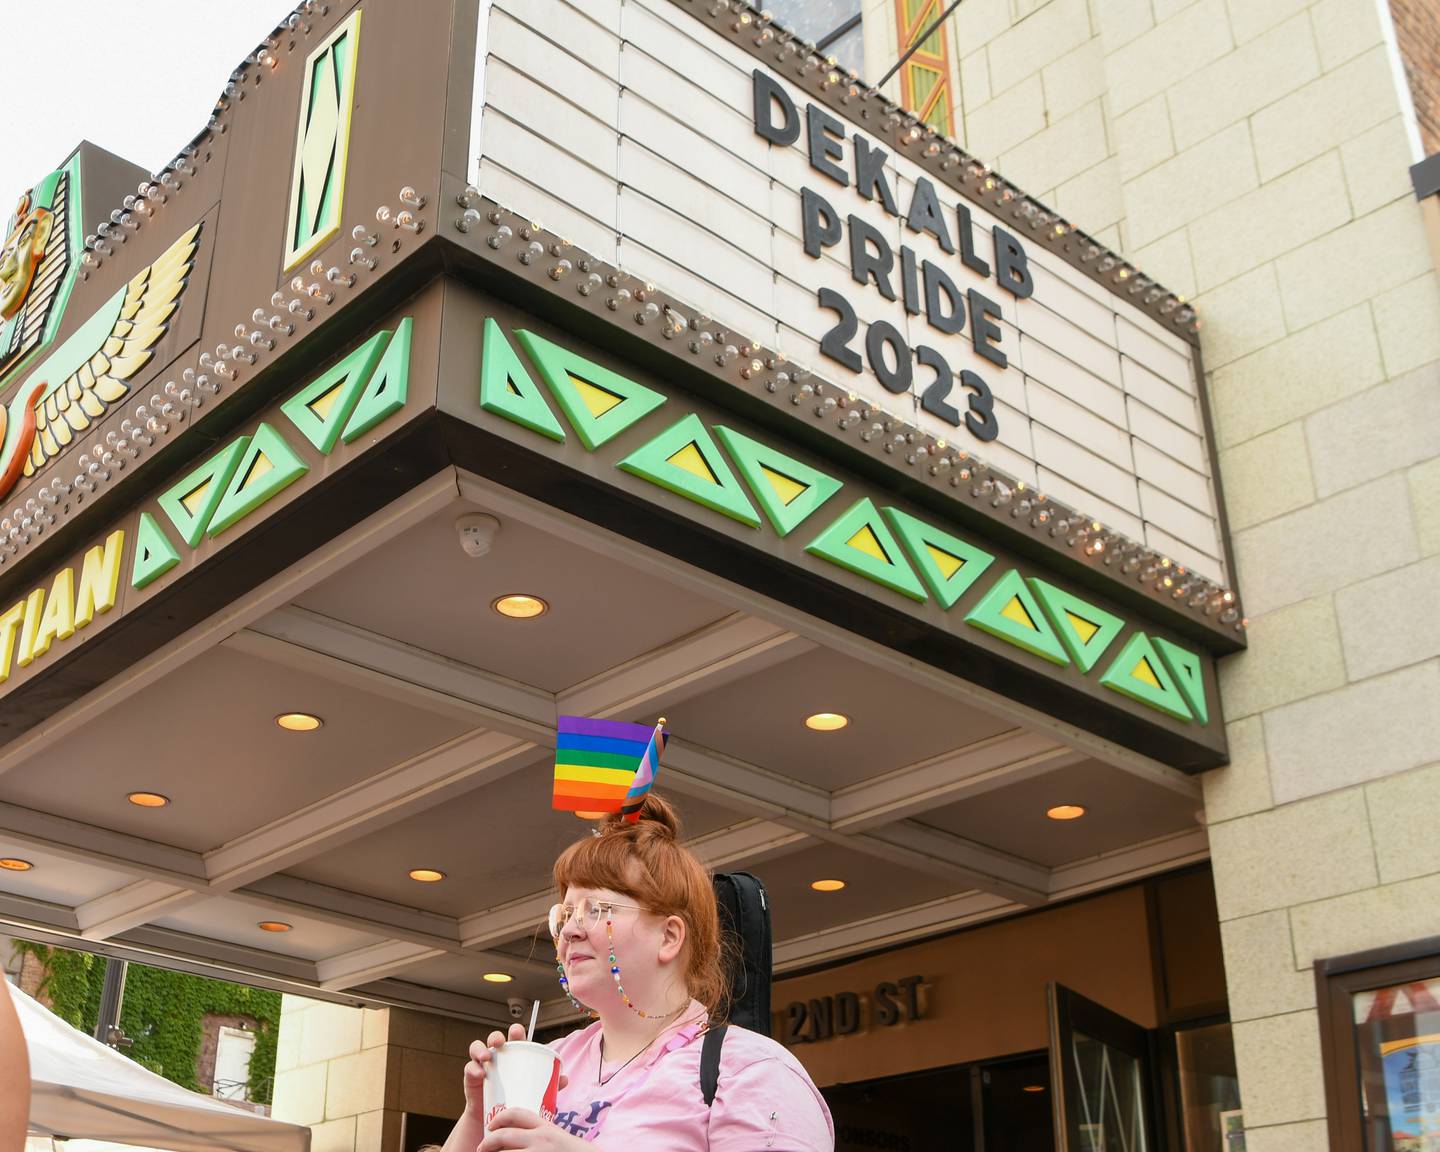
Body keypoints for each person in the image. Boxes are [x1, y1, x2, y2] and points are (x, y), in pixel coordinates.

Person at [443, 794, 833, 1150]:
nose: (571, 930)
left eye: (597, 910)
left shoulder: (751, 1071)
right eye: (564, 914)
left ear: (669, 936)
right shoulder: (551, 1061)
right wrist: (477, 1114)